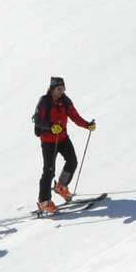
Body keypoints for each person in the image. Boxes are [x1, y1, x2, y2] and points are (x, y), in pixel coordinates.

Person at [32, 76, 96, 214]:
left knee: (72, 161)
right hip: (48, 141)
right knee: (49, 171)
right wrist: (50, 127)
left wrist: (87, 125)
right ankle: (44, 202)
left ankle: (61, 186)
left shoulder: (65, 101)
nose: (61, 91)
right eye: (59, 89)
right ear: (52, 89)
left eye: (63, 89)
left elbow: (74, 116)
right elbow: (37, 120)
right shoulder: (44, 101)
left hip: (62, 138)